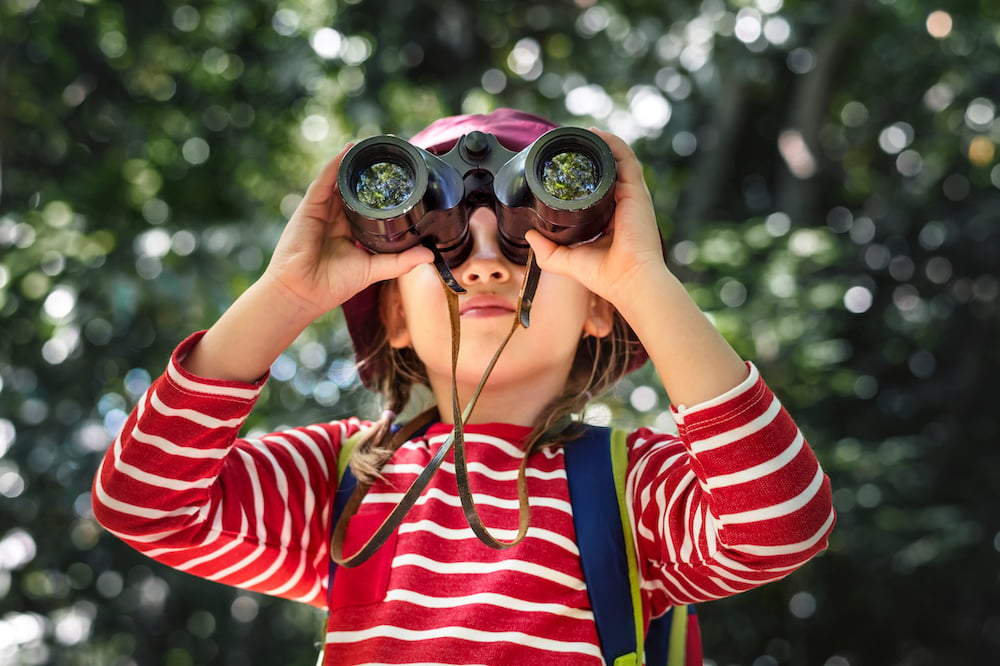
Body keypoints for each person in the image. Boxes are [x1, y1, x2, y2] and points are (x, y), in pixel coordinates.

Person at [92, 108, 835, 665]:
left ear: (600, 307)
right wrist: (286, 292)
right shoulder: (345, 480)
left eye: (526, 241)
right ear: (392, 312)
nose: (485, 265)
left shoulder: (630, 489)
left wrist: (644, 280)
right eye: (444, 242)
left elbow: (782, 523)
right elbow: (144, 502)